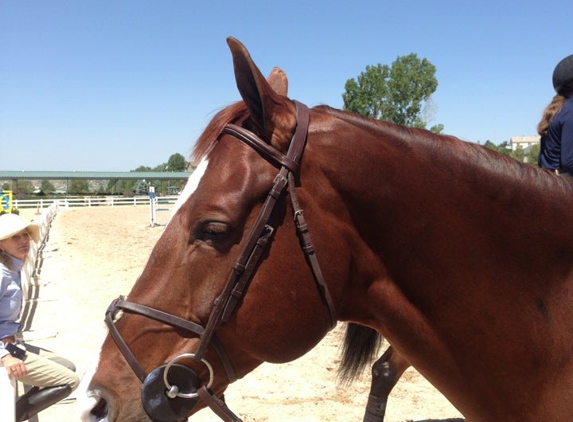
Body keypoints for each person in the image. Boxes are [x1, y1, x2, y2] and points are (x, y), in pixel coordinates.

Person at [0, 213, 79, 422]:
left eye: (25, 235)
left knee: (67, 366)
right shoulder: (1, 274)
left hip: (10, 344)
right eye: (14, 237)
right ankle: (11, 416)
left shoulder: (13, 268)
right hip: (3, 351)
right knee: (70, 380)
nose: (23, 240)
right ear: (1, 245)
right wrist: (5, 357)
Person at [538, 54, 573, 177]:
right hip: (565, 182)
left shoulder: (561, 108)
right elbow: (569, 161)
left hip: (550, 180)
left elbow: (542, 159)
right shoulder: (571, 110)